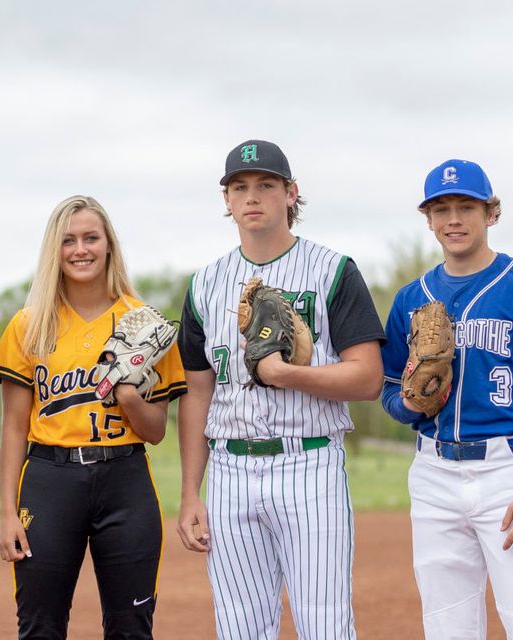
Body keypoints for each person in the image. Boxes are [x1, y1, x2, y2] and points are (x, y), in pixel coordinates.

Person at [175, 140, 385, 639]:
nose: (253, 197)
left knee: (324, 624)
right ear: (226, 200)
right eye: (240, 187)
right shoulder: (205, 284)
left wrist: (289, 374)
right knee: (239, 628)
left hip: (309, 463)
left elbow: (369, 378)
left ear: (291, 193)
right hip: (228, 469)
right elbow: (197, 394)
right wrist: (189, 493)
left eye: (266, 185)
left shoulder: (332, 271)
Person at [381, 159, 513, 638]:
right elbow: (387, 390)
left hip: (509, 471)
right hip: (433, 474)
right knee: (447, 626)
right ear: (428, 219)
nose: (453, 219)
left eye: (466, 206)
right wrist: (411, 405)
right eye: (441, 208)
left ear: (491, 213)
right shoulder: (412, 297)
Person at [0, 195, 187, 639]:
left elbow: (155, 432)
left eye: (91, 238)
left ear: (109, 246)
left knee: (131, 629)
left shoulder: (142, 323)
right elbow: (14, 428)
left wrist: (128, 393)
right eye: (68, 240)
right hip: (48, 480)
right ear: (53, 252)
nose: (81, 249)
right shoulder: (29, 324)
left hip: (125, 479)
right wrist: (7, 513)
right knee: (39, 627)